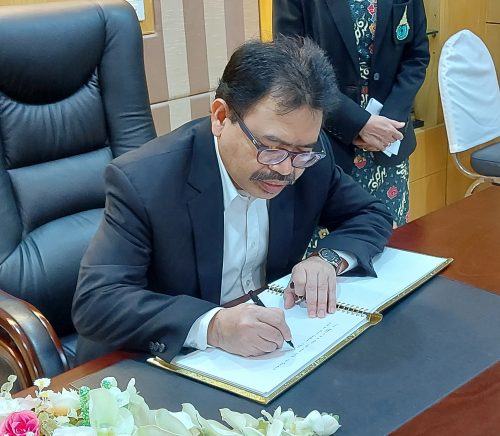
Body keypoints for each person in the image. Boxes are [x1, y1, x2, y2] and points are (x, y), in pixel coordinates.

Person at [72, 37, 393, 364]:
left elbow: (371, 214)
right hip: (162, 362)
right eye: (271, 147)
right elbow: (97, 303)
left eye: (301, 152)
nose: (285, 170)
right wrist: (214, 325)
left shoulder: (306, 156)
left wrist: (327, 259)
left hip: (268, 352)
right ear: (220, 117)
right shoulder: (144, 181)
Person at [273, 0, 430, 226]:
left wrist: (390, 119)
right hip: (327, 139)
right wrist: (359, 123)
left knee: (391, 244)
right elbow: (293, 64)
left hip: (387, 143)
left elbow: (416, 56)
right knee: (332, 248)